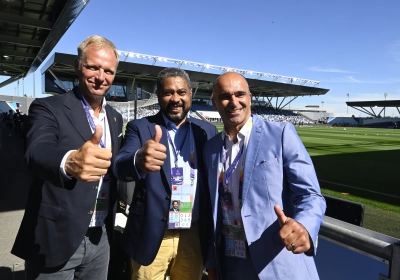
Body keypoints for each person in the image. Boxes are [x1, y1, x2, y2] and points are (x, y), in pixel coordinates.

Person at [11, 35, 123, 280]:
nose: (100, 77)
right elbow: (37, 151)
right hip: (56, 235)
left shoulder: (115, 117)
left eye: (108, 71)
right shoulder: (48, 107)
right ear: (77, 66)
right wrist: (70, 161)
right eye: (92, 67)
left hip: (100, 235)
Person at [203, 72, 326, 280]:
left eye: (240, 94)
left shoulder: (281, 134)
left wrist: (304, 226)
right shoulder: (210, 149)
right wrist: (212, 263)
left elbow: (311, 195)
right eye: (225, 96)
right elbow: (211, 210)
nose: (234, 102)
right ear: (214, 103)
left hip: (278, 261)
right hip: (231, 263)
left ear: (250, 98)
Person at [113, 67, 218, 280]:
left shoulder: (206, 131)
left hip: (193, 234)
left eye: (181, 92)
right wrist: (138, 160)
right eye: (168, 92)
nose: (175, 98)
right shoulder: (140, 128)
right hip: (153, 233)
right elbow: (119, 165)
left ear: (190, 93)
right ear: (159, 95)